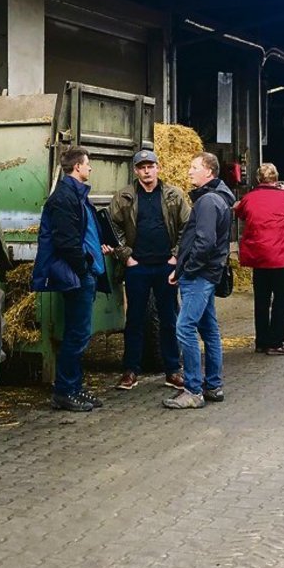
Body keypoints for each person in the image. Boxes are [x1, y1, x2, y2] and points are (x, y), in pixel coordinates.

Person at [32, 147, 115, 410]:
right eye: (88, 164)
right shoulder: (64, 198)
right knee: (76, 335)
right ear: (77, 167)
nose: (90, 168)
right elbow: (66, 241)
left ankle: (75, 388)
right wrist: (84, 267)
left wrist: (97, 249)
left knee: (79, 334)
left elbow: (84, 233)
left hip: (84, 273)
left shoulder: (77, 196)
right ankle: (65, 391)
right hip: (78, 276)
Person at [108, 149, 191, 391]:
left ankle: (173, 370)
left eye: (150, 166)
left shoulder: (174, 195)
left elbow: (188, 226)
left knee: (169, 319)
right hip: (138, 267)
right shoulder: (124, 197)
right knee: (134, 319)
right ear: (135, 171)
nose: (146, 171)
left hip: (166, 266)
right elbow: (112, 227)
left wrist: (176, 256)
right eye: (142, 167)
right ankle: (130, 370)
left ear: (158, 168)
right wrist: (125, 256)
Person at [164, 152, 234, 409]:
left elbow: (205, 242)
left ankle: (193, 390)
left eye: (194, 167)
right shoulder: (220, 199)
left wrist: (189, 270)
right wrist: (181, 268)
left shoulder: (207, 202)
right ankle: (213, 385)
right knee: (209, 330)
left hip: (200, 276)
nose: (189, 172)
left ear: (209, 172)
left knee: (184, 328)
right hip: (207, 274)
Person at [234, 162, 284, 356]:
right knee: (281, 300)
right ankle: (276, 343)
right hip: (280, 257)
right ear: (276, 178)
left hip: (258, 258)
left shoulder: (249, 198)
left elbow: (238, 211)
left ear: (258, 179)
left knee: (261, 300)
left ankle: (261, 341)